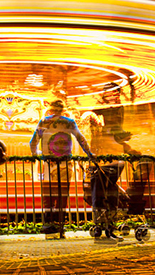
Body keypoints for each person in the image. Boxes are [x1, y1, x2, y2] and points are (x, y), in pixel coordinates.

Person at [30, 99, 95, 235]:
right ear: (63, 109)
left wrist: (36, 153)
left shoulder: (44, 122)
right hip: (66, 164)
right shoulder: (69, 122)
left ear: (51, 109)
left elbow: (33, 141)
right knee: (62, 196)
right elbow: (80, 138)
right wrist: (89, 153)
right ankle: (60, 225)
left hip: (49, 164)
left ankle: (48, 224)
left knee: (48, 196)